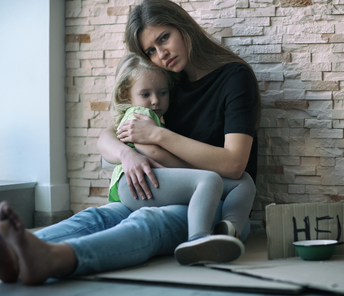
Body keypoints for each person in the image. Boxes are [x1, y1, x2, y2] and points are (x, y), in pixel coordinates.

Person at [0, 0, 259, 285]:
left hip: (213, 204)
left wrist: (158, 135)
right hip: (163, 186)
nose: (162, 54)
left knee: (148, 222)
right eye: (151, 50)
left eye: (165, 38)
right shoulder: (166, 82)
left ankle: (54, 258)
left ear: (184, 27)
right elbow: (108, 134)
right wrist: (126, 155)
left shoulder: (235, 77)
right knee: (102, 215)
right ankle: (11, 252)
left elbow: (234, 164)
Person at [108, 52, 256, 264]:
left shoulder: (157, 117)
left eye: (162, 93)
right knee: (209, 180)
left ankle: (228, 231)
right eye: (145, 94)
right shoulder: (140, 114)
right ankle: (197, 240)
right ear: (126, 94)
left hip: (153, 179)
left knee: (244, 182)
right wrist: (198, 170)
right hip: (136, 181)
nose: (155, 100)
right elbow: (152, 152)